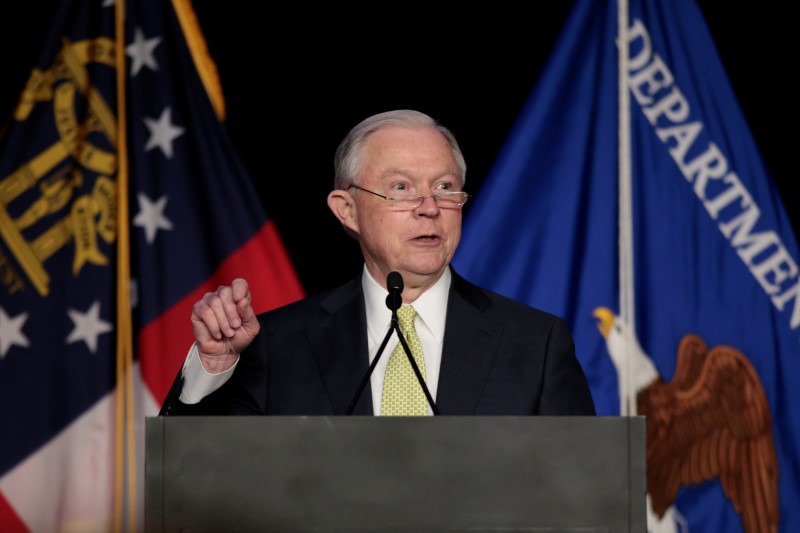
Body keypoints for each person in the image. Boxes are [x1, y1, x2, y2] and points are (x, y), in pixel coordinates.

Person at [159, 109, 595, 417]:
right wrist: (213, 368)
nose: (429, 207)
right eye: (401, 187)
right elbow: (201, 483)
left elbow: (582, 498)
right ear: (346, 210)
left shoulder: (535, 344)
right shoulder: (279, 345)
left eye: (445, 186)